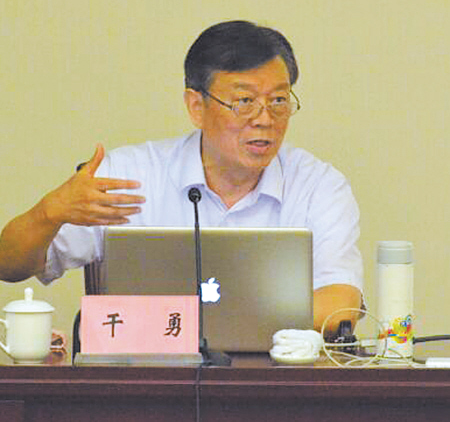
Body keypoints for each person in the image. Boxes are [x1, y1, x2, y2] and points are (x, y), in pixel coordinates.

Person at [0, 20, 363, 334]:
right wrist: (48, 213)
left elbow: (341, 304)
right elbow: (8, 265)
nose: (265, 119)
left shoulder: (318, 186)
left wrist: (192, 327)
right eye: (244, 102)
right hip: (145, 383)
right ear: (196, 106)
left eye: (279, 101)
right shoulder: (128, 176)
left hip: (277, 381)